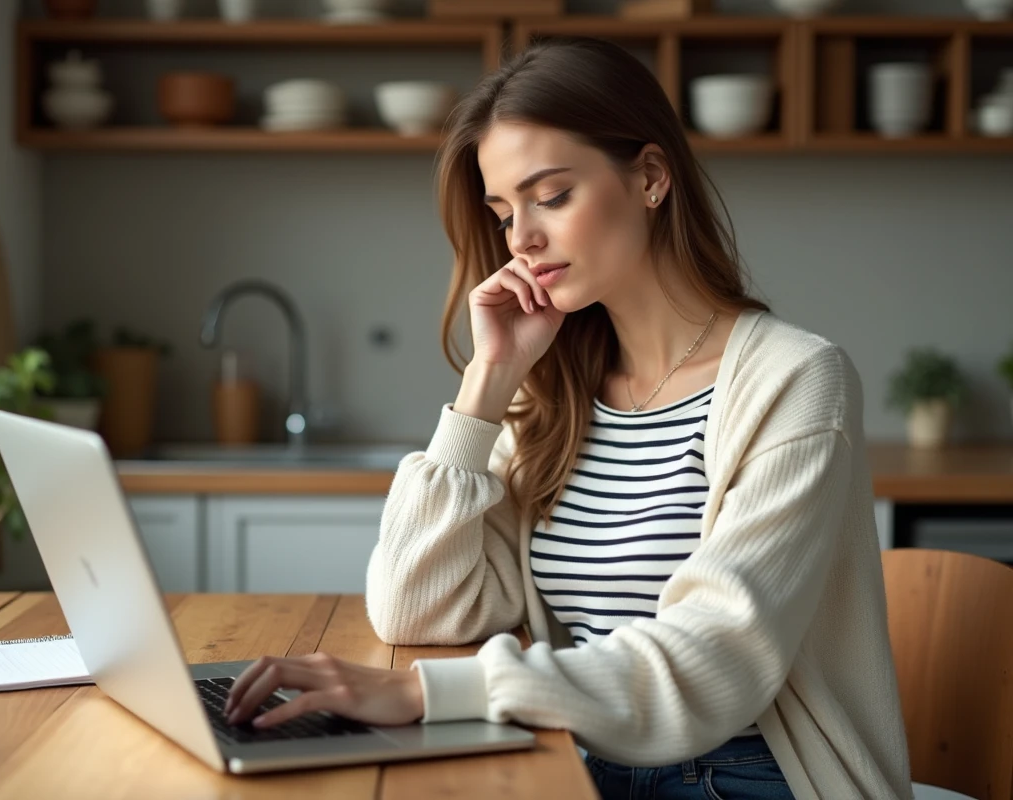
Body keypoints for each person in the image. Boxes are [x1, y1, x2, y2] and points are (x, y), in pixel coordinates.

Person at [224, 36, 913, 800]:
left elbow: (713, 661)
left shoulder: (796, 381)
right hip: (580, 761)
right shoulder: (550, 395)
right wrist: (488, 381)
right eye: (503, 212)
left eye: (551, 196)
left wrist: (429, 692)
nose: (521, 238)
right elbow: (417, 608)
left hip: (747, 775)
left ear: (650, 177)